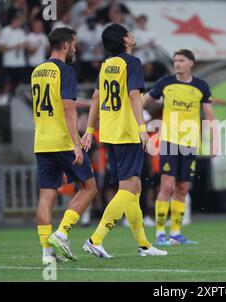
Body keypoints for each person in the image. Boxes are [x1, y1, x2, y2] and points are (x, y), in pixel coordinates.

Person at [81, 23, 167, 258]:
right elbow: (134, 97)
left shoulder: (107, 64)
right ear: (124, 40)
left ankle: (144, 245)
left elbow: (96, 97)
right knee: (128, 188)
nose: (133, 33)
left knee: (134, 187)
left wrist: (89, 130)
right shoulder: (132, 62)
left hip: (111, 132)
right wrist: (142, 131)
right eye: (129, 31)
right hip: (128, 131)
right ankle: (95, 238)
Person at [33, 27, 97, 265]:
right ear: (67, 45)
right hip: (62, 140)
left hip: (42, 140)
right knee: (89, 188)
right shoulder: (66, 70)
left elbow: (52, 102)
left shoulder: (37, 70)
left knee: (46, 195)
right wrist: (76, 144)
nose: (76, 48)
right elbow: (67, 108)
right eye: (75, 44)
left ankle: (46, 254)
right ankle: (62, 233)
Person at [142, 49, 217, 246]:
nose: (177, 64)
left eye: (182, 60)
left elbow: (210, 116)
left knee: (182, 188)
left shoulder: (201, 86)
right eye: (175, 60)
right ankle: (159, 233)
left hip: (190, 143)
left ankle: (175, 232)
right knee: (166, 185)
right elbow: (142, 102)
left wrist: (214, 142)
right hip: (169, 141)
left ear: (191, 62)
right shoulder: (165, 83)